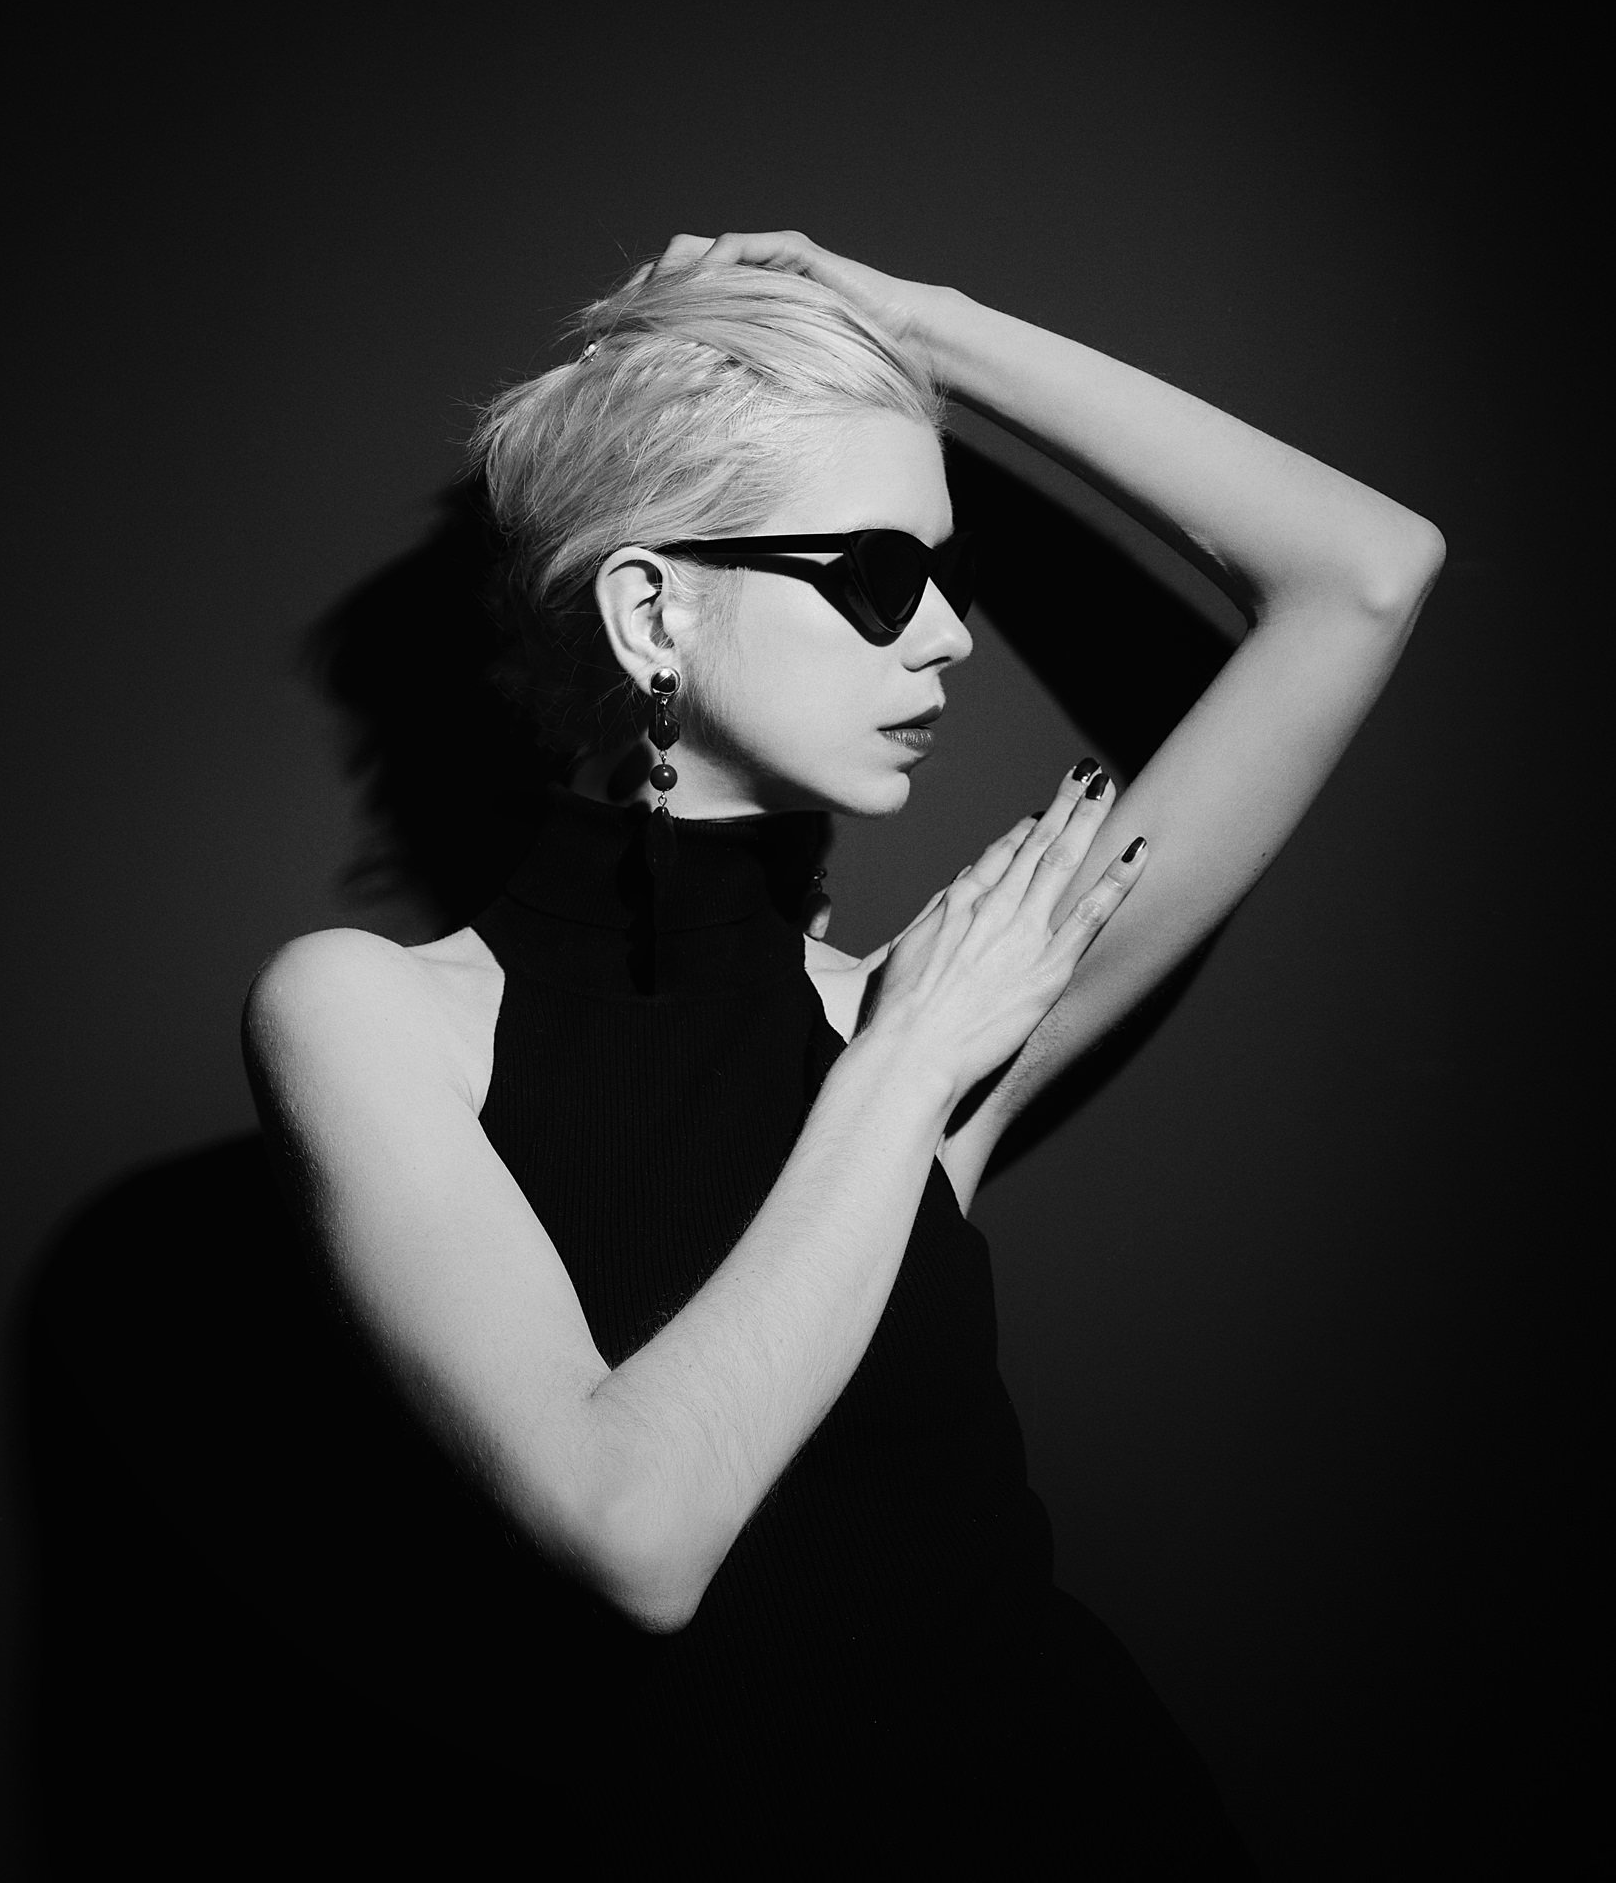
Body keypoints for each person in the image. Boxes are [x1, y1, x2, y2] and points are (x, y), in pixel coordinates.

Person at [244, 230, 1441, 1868]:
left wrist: (915, 325)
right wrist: (906, 1059)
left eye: (949, 579)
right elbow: (636, 1530)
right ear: (649, 609)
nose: (946, 636)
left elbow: (1364, 569)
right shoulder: (369, 1015)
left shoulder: (934, 992)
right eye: (879, 576)